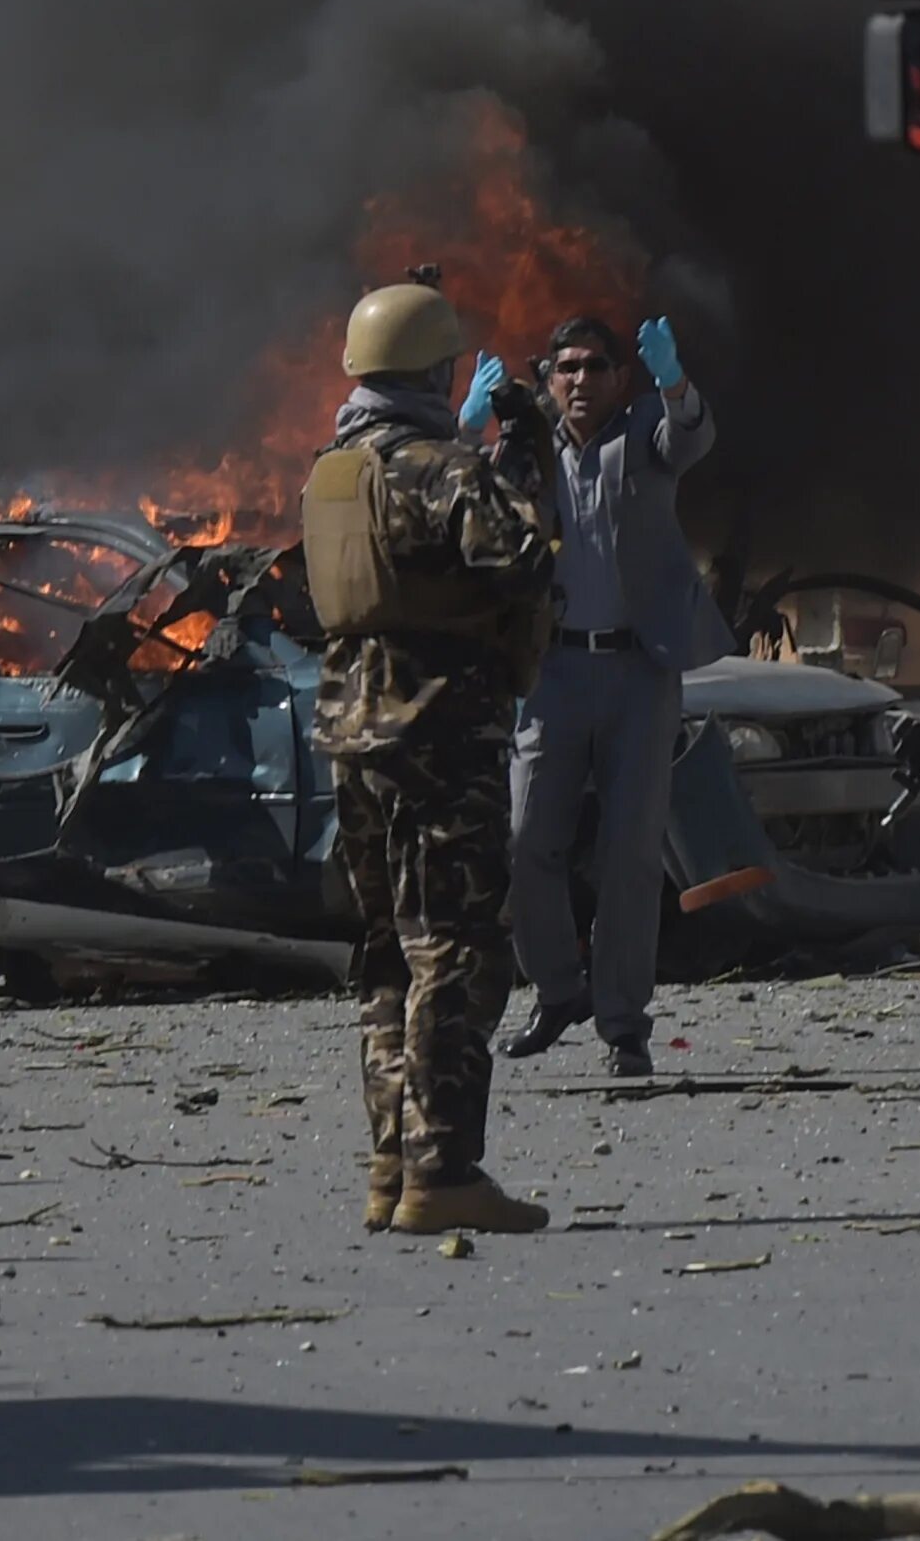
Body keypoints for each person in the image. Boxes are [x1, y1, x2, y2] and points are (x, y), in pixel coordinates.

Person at [303, 279, 557, 1236]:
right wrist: (519, 457)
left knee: (385, 954)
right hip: (442, 732)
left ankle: (389, 1162)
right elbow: (526, 561)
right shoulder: (439, 467)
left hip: (352, 735)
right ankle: (444, 1168)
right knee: (453, 945)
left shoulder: (334, 470)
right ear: (434, 371)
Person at [489, 314, 731, 1078]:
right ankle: (559, 988)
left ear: (621, 376)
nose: (582, 380)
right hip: (554, 673)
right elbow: (480, 506)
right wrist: (474, 433)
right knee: (527, 840)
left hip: (638, 670)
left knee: (630, 852)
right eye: (567, 367)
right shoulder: (528, 449)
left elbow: (692, 438)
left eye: (597, 366)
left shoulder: (648, 432)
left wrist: (675, 380)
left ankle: (624, 1025)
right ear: (548, 377)